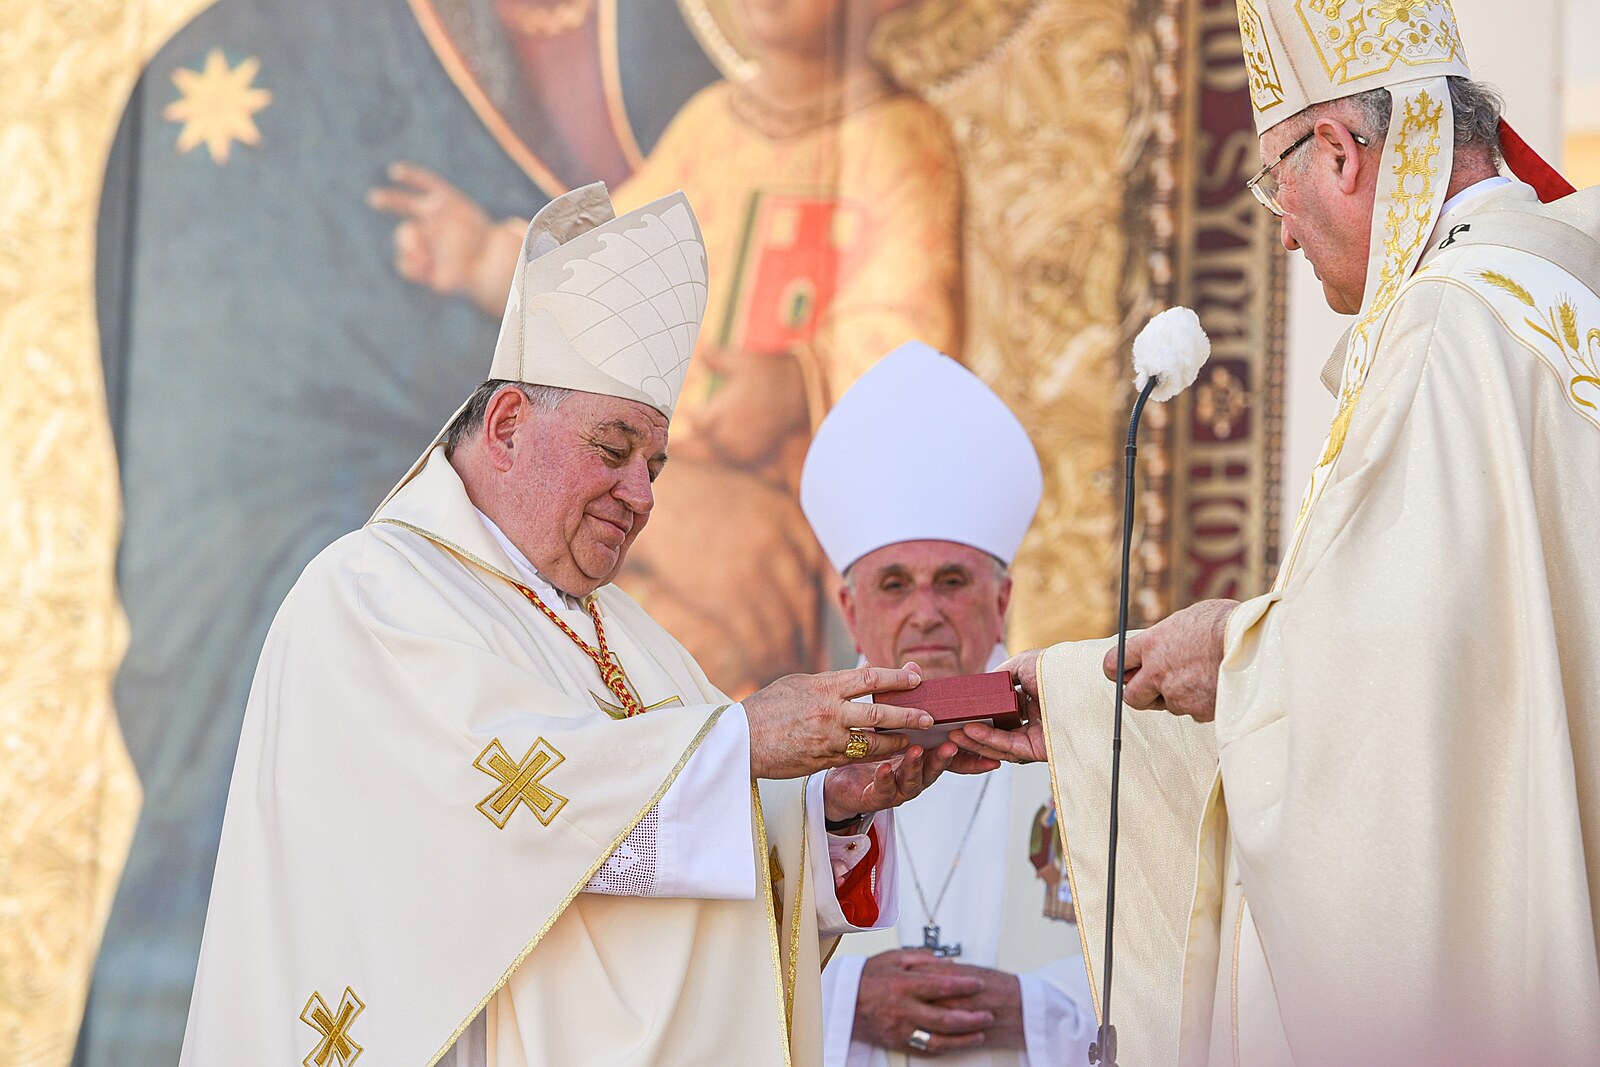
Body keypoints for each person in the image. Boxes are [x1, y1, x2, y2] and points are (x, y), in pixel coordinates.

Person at [178, 186, 988, 1066]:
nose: (641, 495)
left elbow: (643, 845)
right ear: (508, 424)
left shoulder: (633, 638)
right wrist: (742, 739)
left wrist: (826, 806)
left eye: (655, 464)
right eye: (612, 450)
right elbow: (489, 836)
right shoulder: (370, 595)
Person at [955, 1, 1600, 1063]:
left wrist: (1217, 653)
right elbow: (1467, 674)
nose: (1285, 228)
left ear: (1340, 151)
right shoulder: (1557, 290)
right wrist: (1097, 705)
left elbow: (1396, 722)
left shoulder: (1448, 330)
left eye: (1275, 186)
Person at [369, 0, 964, 695]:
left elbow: (913, 329)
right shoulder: (711, 126)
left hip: (782, 517)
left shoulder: (903, 142)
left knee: (703, 672)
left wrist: (797, 382)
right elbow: (610, 268)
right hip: (662, 488)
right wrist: (487, 256)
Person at [800, 342, 1095, 1066]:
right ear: (850, 607)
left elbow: (1181, 955)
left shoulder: (1087, 744)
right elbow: (722, 973)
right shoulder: (789, 765)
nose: (926, 611)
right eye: (895, 583)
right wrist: (845, 1004)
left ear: (1001, 602)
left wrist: (1033, 1012)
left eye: (953, 580)